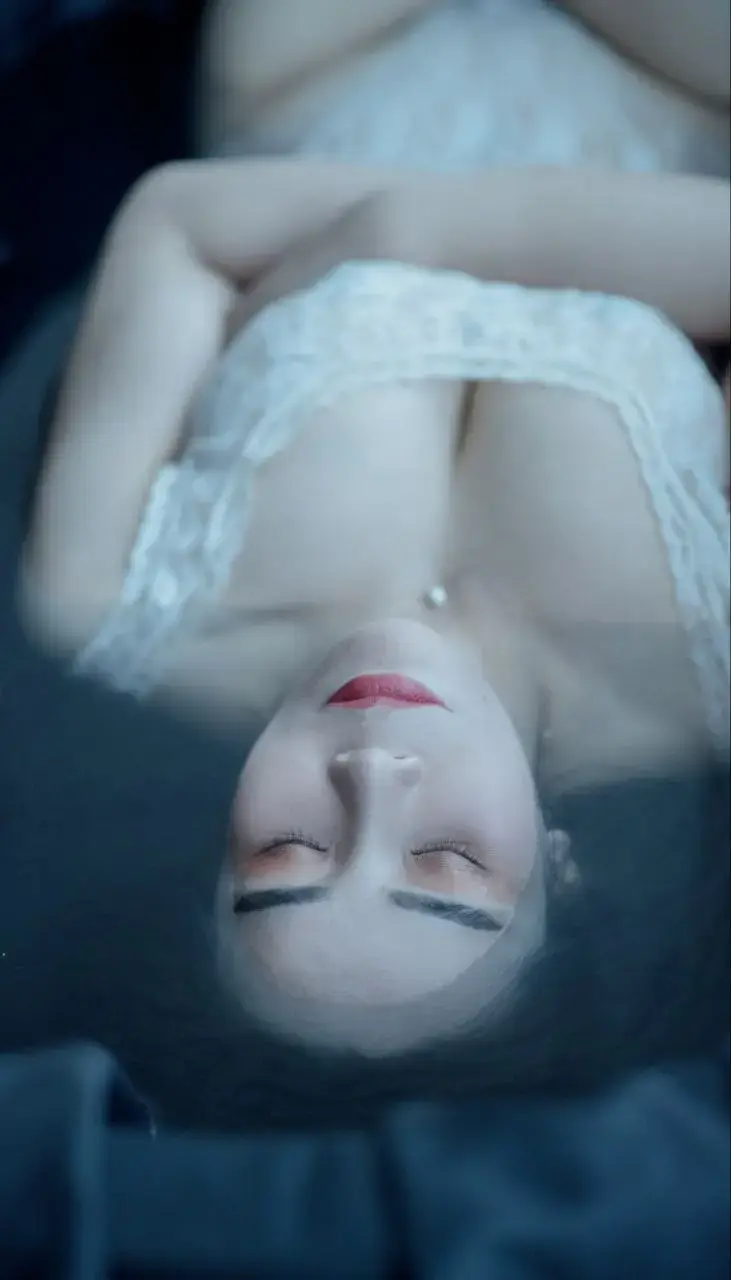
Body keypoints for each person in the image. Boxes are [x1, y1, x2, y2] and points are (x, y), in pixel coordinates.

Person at [21, 156, 730, 1061]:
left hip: (293, 114)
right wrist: (395, 230)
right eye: (448, 860)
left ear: (214, 836)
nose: (373, 774)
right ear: (557, 862)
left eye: (286, 848)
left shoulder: (98, 605)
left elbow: (175, 221)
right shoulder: (700, 663)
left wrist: (408, 226)